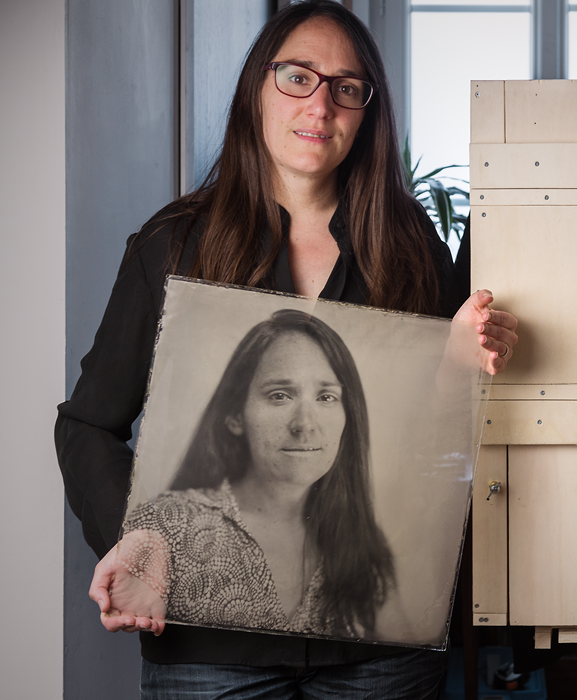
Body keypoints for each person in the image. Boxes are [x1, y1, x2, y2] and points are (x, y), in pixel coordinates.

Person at [54, 1, 518, 697]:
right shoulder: (172, 244)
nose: (320, 105)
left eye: (346, 88)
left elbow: (434, 447)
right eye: (298, 77)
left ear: (367, 112)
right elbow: (87, 423)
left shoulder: (412, 243)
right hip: (207, 644)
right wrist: (136, 531)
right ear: (257, 88)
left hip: (376, 638)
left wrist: (458, 364)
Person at [119, 309, 394, 640]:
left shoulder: (364, 544)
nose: (305, 424)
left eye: (326, 397)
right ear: (235, 415)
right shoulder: (168, 525)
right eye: (280, 395)